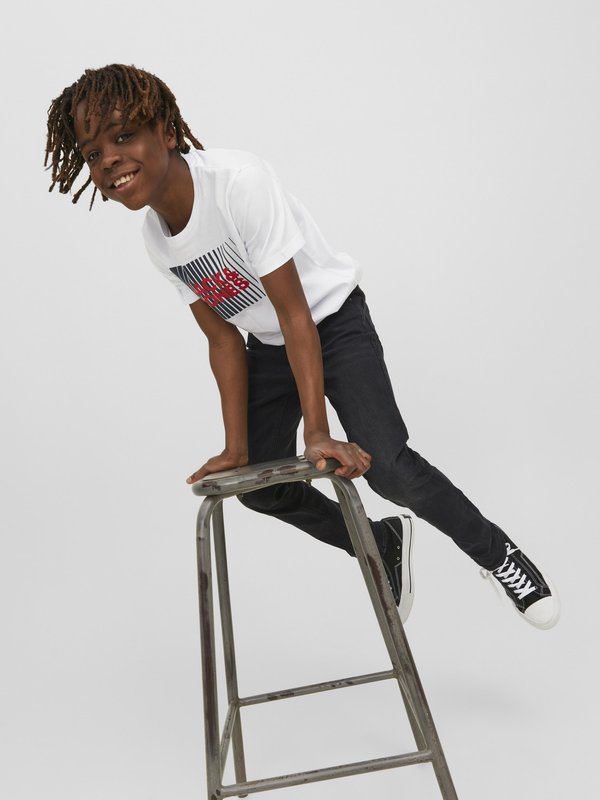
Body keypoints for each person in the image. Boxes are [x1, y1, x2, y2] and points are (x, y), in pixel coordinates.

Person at [45, 63, 559, 630]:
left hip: (332, 323)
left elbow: (296, 314)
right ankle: (379, 542)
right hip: (270, 344)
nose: (109, 159)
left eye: (123, 136)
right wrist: (236, 447)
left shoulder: (238, 184)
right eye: (93, 152)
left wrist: (317, 431)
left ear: (167, 131)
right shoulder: (157, 239)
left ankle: (497, 554)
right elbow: (223, 339)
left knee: (388, 468)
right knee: (260, 489)